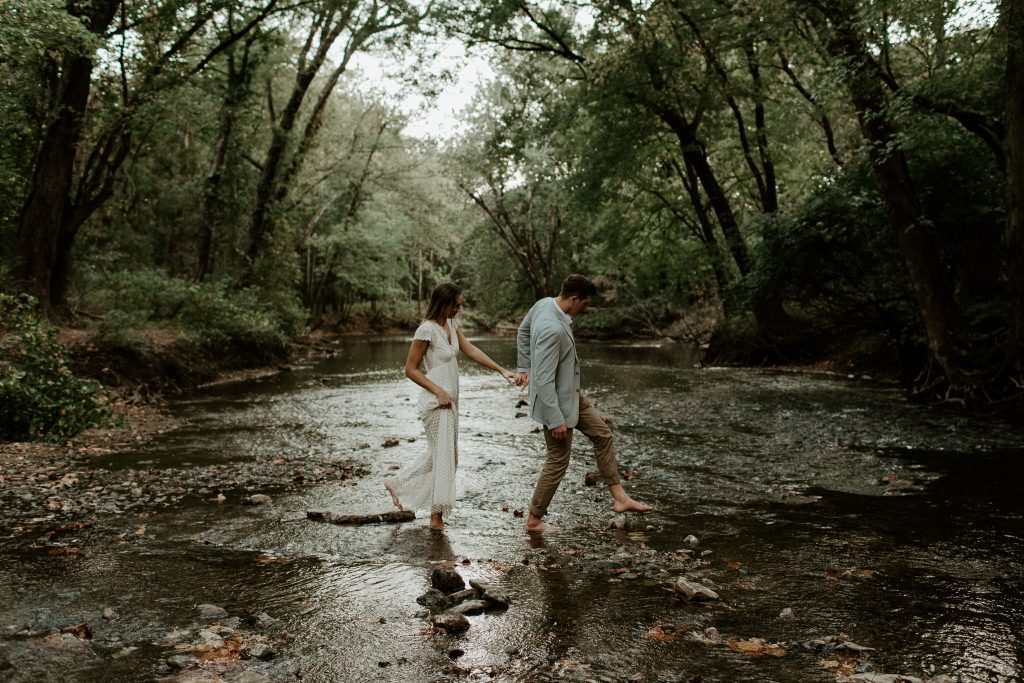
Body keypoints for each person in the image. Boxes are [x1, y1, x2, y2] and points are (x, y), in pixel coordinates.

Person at [516, 274, 652, 533]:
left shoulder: (544, 303)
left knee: (602, 434)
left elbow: (522, 330)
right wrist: (556, 419)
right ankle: (534, 521)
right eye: (585, 304)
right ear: (574, 299)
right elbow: (544, 380)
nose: (585, 310)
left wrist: (523, 366)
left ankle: (620, 498)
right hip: (554, 401)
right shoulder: (551, 328)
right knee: (558, 460)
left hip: (570, 394)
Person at [385, 282, 516, 530]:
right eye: (456, 304)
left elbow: (471, 350)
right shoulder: (426, 330)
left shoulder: (451, 325)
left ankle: (398, 483)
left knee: (446, 458)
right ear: (443, 303)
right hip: (436, 402)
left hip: (451, 401)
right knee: (445, 458)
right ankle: (436, 519)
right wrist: (438, 391)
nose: (459, 308)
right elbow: (410, 370)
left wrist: (501, 370)